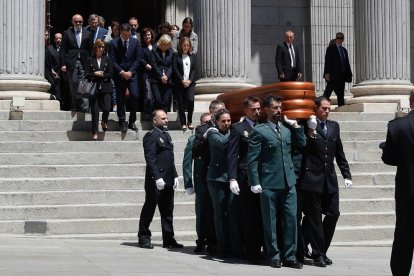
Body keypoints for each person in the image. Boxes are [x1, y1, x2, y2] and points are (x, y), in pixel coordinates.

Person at [247, 95, 305, 269]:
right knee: (270, 222)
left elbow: (301, 145)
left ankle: (290, 255)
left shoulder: (287, 129)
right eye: (275, 108)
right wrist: (255, 181)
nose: (278, 110)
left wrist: (295, 126)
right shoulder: (260, 130)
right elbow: (252, 159)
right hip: (269, 183)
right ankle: (274, 255)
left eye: (280, 107)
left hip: (288, 183)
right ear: (266, 109)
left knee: (291, 220)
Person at [299, 96, 352, 267]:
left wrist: (346, 174)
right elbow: (302, 149)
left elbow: (339, 152)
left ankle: (319, 249)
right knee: (314, 218)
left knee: (333, 213)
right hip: (312, 178)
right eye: (324, 108)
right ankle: (318, 254)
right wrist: (309, 132)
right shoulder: (306, 125)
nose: (327, 111)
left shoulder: (334, 126)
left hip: (329, 179)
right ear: (315, 109)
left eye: (329, 108)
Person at [137, 109, 183, 249]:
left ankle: (168, 238)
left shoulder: (167, 135)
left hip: (168, 179)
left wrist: (175, 175)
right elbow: (150, 158)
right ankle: (144, 236)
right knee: (149, 208)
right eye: (162, 118)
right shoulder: (151, 136)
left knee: (168, 211)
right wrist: (157, 177)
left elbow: (170, 158)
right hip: (156, 180)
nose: (166, 120)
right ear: (154, 121)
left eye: (166, 118)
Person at [227, 96, 264, 263]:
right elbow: (233, 154)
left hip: (264, 176)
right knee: (249, 216)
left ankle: (262, 248)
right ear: (246, 110)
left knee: (262, 215)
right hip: (245, 177)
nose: (257, 111)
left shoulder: (263, 126)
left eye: (258, 108)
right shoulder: (238, 128)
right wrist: (232, 178)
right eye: (254, 109)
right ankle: (251, 251)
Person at [381, 91, 414, 276]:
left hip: (407, 191)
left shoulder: (396, 126)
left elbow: (389, 159)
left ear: (410, 102)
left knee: (403, 238)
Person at [204, 108, 242, 258]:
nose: (227, 124)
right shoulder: (213, 133)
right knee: (219, 213)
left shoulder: (232, 132)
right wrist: (236, 131)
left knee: (233, 213)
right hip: (216, 179)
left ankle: (235, 246)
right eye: (224, 121)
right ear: (217, 122)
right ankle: (221, 246)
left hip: (231, 177)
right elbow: (222, 143)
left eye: (229, 121)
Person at [191, 100, 226, 254]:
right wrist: (205, 138)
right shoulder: (202, 129)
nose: (222, 113)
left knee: (218, 210)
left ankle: (217, 241)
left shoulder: (225, 127)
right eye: (219, 111)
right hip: (207, 174)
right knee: (205, 211)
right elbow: (195, 151)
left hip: (223, 174)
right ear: (211, 112)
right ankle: (203, 240)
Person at [183, 112, 212, 253]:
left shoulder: (215, 136)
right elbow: (187, 162)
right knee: (201, 213)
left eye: (210, 122)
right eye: (205, 122)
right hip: (201, 181)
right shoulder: (193, 139)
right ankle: (201, 240)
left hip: (214, 179)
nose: (207, 125)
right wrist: (188, 183)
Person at [108, 23, 141, 132]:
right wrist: (122, 72)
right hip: (120, 75)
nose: (127, 37)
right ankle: (122, 121)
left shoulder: (135, 42)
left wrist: (131, 72)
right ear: (120, 32)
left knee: (135, 95)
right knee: (120, 98)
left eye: (129, 35)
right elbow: (112, 60)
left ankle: (132, 121)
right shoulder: (113, 43)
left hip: (132, 75)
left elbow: (138, 59)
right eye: (125, 35)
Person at [60, 14, 93, 112]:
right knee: (74, 83)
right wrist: (63, 64)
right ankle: (75, 105)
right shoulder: (67, 33)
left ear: (83, 22)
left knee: (84, 83)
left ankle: (85, 107)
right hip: (71, 62)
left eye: (80, 21)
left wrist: (92, 62)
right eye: (76, 21)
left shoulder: (88, 33)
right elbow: (63, 50)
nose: (78, 23)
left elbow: (91, 49)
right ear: (72, 22)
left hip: (85, 62)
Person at [81, 39, 113, 140]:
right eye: (99, 46)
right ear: (96, 48)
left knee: (107, 107)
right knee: (95, 111)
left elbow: (110, 73)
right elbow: (86, 74)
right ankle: (95, 131)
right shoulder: (90, 59)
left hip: (105, 86)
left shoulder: (108, 59)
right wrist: (94, 73)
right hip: (93, 87)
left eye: (103, 47)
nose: (101, 49)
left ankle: (104, 121)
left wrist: (102, 75)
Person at [172, 37, 197, 131]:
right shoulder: (176, 55)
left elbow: (194, 70)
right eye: (184, 45)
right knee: (181, 103)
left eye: (187, 45)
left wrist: (190, 81)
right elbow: (175, 68)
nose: (186, 47)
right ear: (180, 46)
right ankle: (183, 123)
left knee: (190, 100)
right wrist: (182, 80)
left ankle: (189, 121)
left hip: (190, 83)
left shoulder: (193, 55)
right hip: (180, 83)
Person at [322, 32, 352, 107]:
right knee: (328, 92)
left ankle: (341, 108)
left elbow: (347, 63)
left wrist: (349, 74)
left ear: (343, 39)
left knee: (341, 94)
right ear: (336, 39)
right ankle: (320, 105)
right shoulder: (330, 49)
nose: (339, 40)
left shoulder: (344, 50)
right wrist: (326, 73)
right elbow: (327, 61)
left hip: (342, 76)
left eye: (341, 38)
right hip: (332, 75)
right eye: (337, 38)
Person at [149, 34, 173, 113]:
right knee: (158, 100)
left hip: (168, 80)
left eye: (167, 44)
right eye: (164, 44)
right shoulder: (154, 50)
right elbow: (154, 65)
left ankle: (164, 121)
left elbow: (172, 66)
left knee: (165, 101)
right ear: (160, 43)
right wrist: (161, 76)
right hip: (155, 79)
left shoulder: (171, 52)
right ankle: (156, 120)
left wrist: (167, 76)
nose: (165, 46)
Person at [138, 28, 157, 121]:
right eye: (145, 35)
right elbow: (139, 59)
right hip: (146, 74)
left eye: (149, 35)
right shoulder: (140, 47)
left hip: (156, 74)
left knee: (156, 95)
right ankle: (148, 113)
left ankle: (156, 114)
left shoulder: (156, 46)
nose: (147, 36)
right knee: (148, 94)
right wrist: (145, 64)